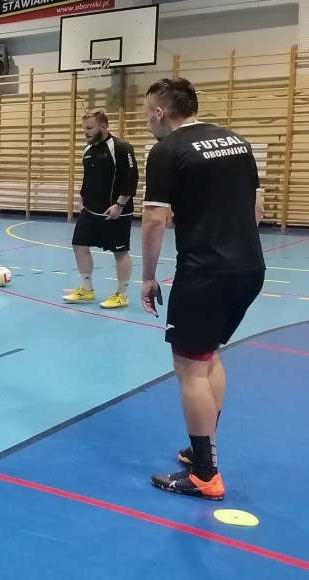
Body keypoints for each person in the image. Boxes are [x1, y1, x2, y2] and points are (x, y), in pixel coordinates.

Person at [140, 78, 265, 501]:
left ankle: (205, 475)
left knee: (190, 367)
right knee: (209, 356)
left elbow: (154, 220)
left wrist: (148, 276)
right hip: (249, 267)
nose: (147, 120)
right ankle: (202, 449)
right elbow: (257, 207)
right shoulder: (237, 142)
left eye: (147, 112)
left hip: (205, 272)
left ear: (160, 112)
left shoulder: (167, 150)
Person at [63, 108, 138, 309]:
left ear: (103, 127)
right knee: (79, 246)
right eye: (84, 128)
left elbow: (131, 179)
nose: (85, 132)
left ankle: (122, 295)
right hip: (90, 210)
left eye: (89, 128)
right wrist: (82, 200)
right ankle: (86, 289)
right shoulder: (88, 149)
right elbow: (87, 179)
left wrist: (119, 205)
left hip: (115, 212)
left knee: (120, 253)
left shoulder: (121, 147)